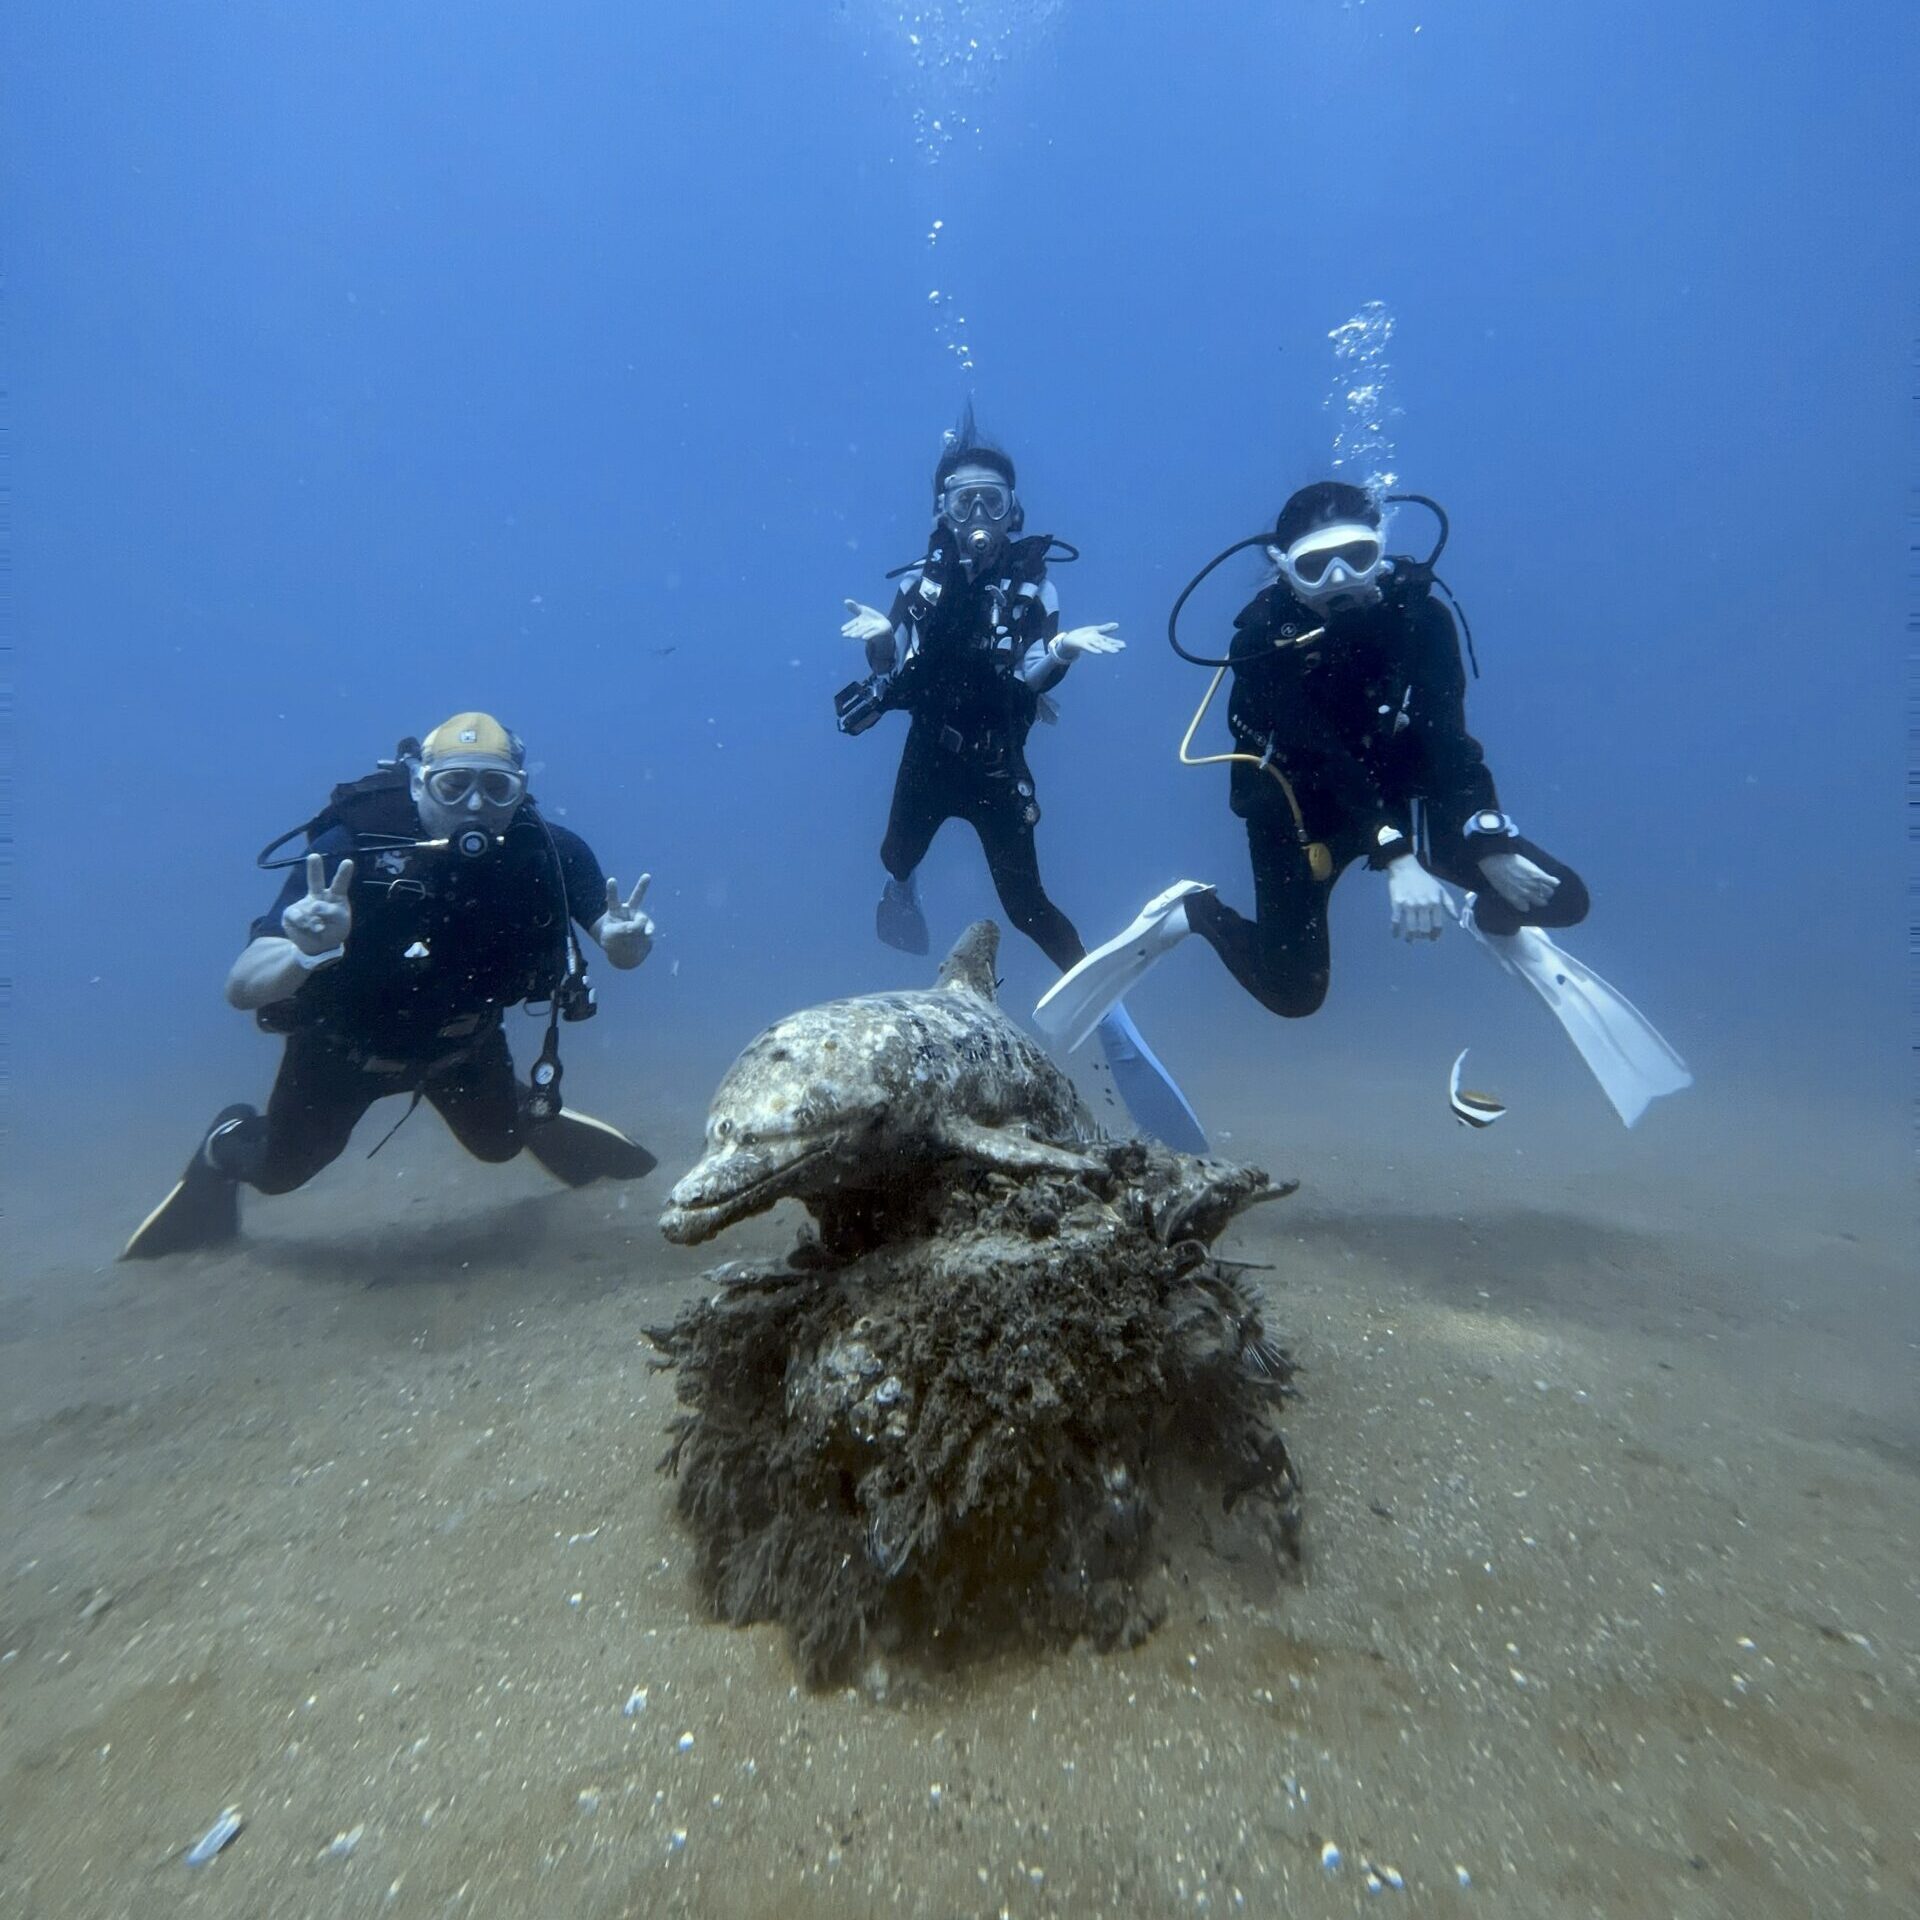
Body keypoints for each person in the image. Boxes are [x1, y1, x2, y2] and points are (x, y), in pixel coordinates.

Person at [1036, 482, 1690, 1127]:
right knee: (1294, 994)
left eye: (1357, 555)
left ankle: (1492, 924)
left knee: (1561, 899)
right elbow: (1318, 753)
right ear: (1282, 569)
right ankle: (1195, 912)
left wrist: (1486, 843)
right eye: (1315, 565)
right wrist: (1397, 855)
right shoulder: (1260, 642)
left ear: (1383, 549)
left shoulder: (1421, 618)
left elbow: (1447, 738)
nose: (1340, 578)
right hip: (1297, 811)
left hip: (1397, 791)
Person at [123, 713, 661, 1259]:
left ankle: (524, 1109)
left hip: (463, 1047)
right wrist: (307, 951)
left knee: (499, 1148)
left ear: (520, 792)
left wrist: (626, 946)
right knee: (277, 1175)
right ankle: (224, 1142)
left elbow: (616, 940)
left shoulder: (550, 852)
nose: (475, 805)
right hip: (342, 1054)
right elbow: (242, 988)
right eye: (454, 785)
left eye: (496, 787)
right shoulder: (349, 850)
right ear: (417, 783)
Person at [833, 410, 1207, 1153]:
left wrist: (1061, 651)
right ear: (941, 510)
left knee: (1029, 904)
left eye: (992, 502)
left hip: (997, 765)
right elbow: (898, 674)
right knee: (896, 856)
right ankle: (900, 890)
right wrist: (880, 642)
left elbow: (1027, 678)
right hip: (928, 761)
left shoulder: (1037, 591)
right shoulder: (915, 586)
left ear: (1015, 511)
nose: (978, 517)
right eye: (963, 501)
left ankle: (1115, 1026)